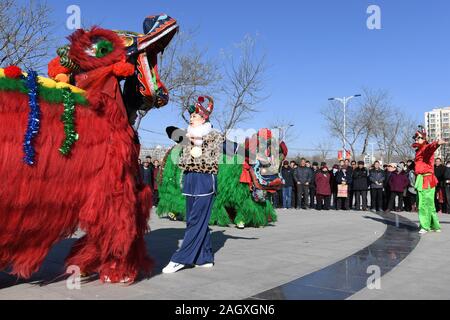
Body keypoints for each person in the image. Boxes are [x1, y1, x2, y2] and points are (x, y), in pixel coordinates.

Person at [163, 96, 226, 273]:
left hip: (205, 179)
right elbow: (170, 131)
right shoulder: (186, 136)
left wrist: (254, 154)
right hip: (190, 178)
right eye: (190, 117)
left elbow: (231, 147)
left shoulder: (214, 135)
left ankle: (181, 258)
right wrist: (186, 138)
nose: (191, 119)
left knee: (196, 220)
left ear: (204, 118)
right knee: (194, 220)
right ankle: (204, 257)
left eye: (195, 116)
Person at [412, 126, 446, 234]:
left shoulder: (425, 148)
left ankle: (425, 226)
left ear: (424, 139)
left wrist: (437, 143)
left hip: (426, 179)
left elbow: (430, 148)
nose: (417, 140)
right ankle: (434, 225)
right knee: (429, 203)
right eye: (416, 138)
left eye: (419, 138)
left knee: (423, 203)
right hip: (422, 179)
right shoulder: (418, 151)